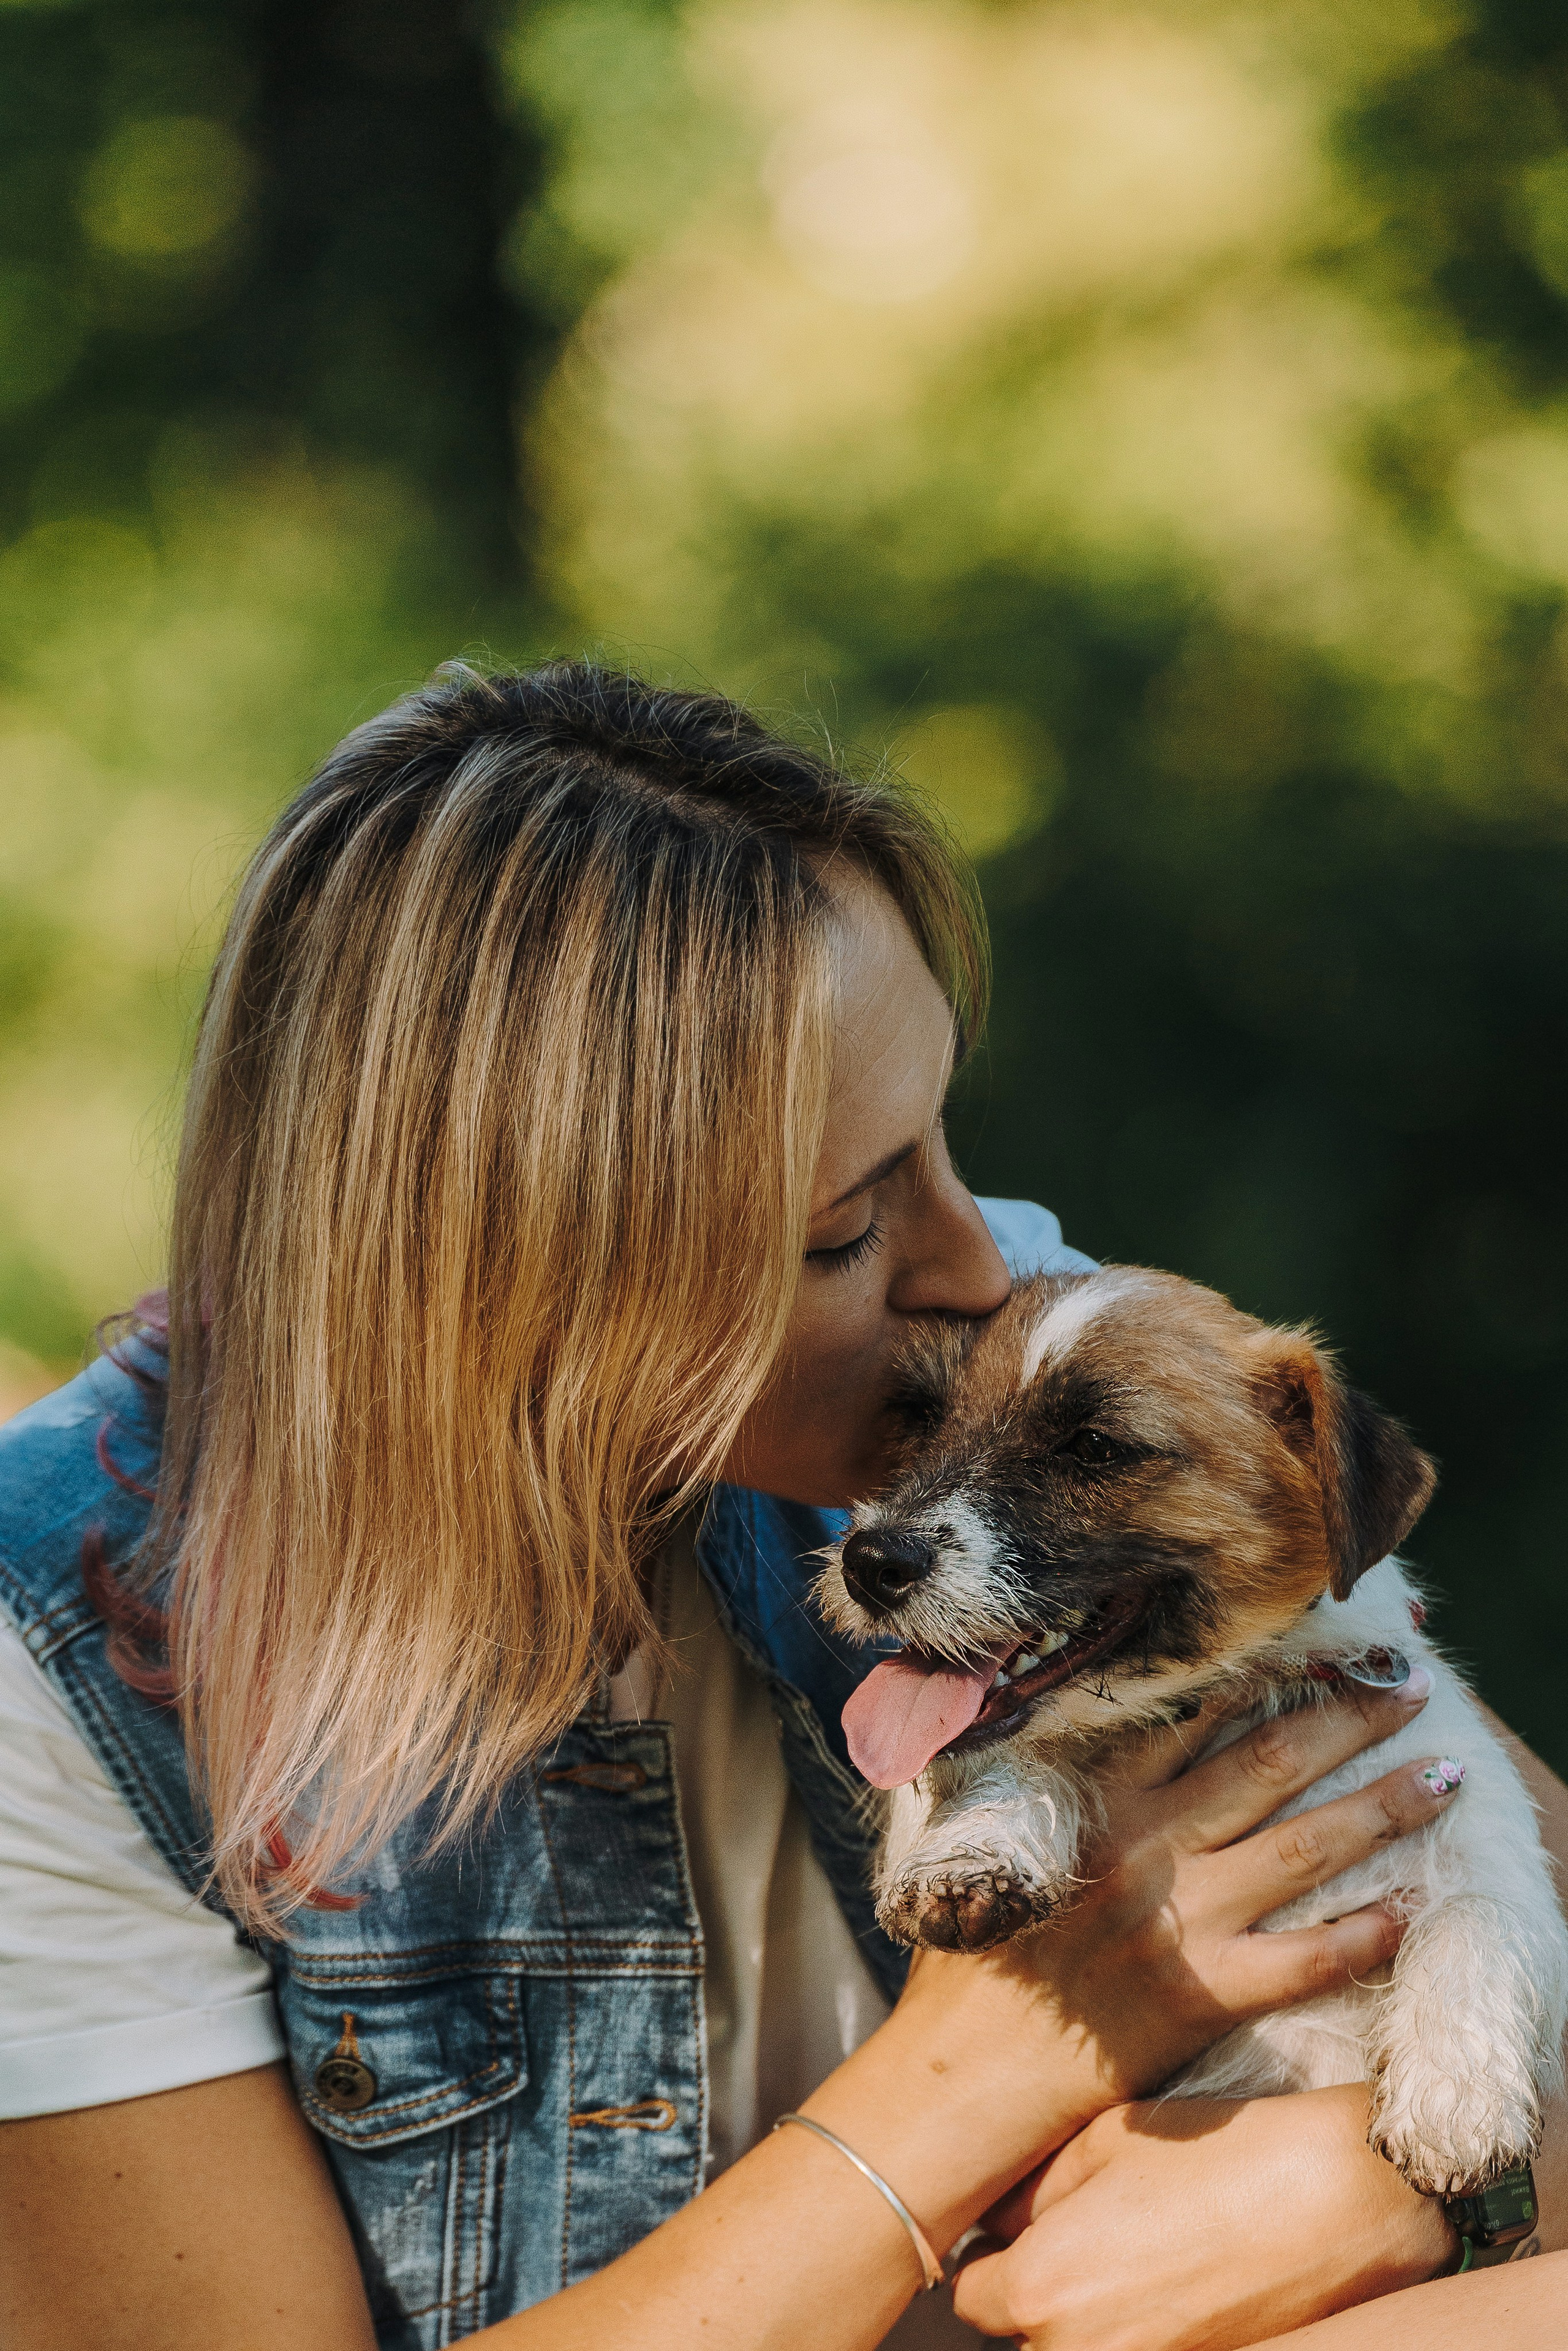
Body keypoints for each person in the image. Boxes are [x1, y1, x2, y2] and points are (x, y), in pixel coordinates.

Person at [0, 663, 1560, 2351]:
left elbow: (1505, 1918)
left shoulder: (1009, 1354)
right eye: (843, 1234)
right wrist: (975, 2081)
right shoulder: (57, 1671)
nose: (985, 1269)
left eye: (945, 1141)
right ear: (496, 1283)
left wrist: (1430, 2187)